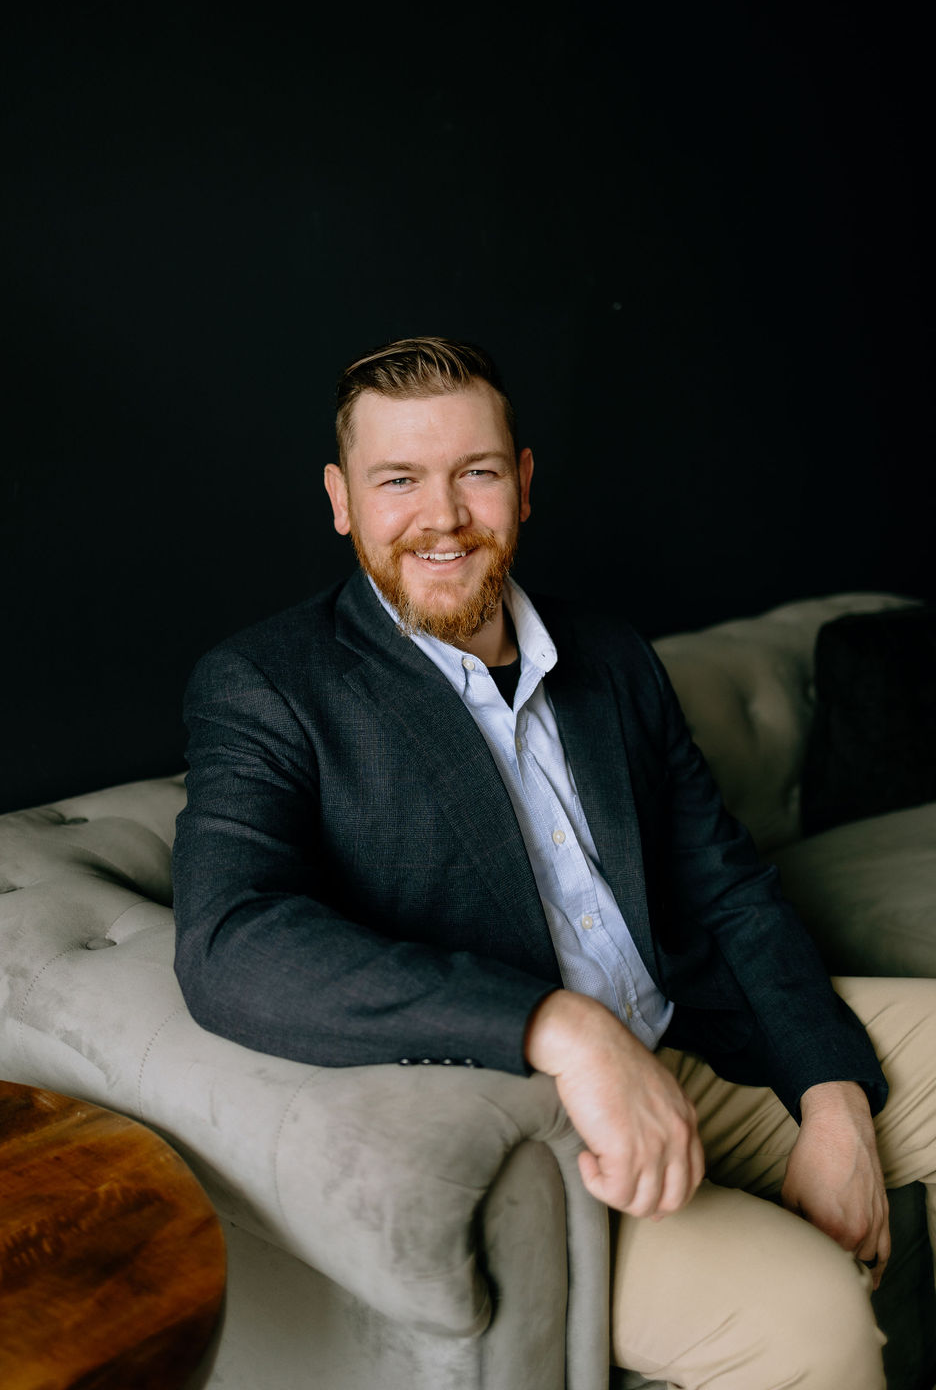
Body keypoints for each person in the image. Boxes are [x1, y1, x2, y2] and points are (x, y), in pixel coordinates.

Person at [172, 336, 935, 1388]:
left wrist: (833, 1097)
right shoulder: (267, 686)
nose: (441, 516)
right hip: (544, 1129)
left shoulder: (611, 655)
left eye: (474, 473)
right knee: (812, 1331)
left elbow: (728, 887)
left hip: (698, 1033)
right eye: (398, 480)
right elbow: (228, 943)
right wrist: (561, 1030)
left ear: (521, 485)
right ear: (341, 499)